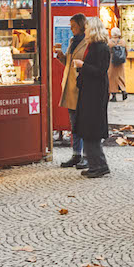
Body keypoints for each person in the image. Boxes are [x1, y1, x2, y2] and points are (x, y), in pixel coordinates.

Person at [73, 16, 112, 178]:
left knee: (91, 129)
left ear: (93, 29)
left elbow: (100, 71)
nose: (86, 30)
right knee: (87, 129)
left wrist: (83, 66)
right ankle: (95, 164)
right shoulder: (94, 46)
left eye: (88, 28)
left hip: (95, 95)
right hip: (89, 93)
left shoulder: (101, 47)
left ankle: (100, 165)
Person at [55, 14, 89, 169]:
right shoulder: (72, 41)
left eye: (73, 26)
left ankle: (88, 156)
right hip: (69, 87)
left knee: (84, 124)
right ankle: (76, 154)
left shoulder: (88, 42)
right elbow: (69, 63)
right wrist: (61, 56)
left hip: (82, 88)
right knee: (74, 124)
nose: (71, 28)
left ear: (81, 26)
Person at [107, 27, 129, 102]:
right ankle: (124, 90)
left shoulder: (109, 42)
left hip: (112, 62)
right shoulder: (122, 42)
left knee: (112, 78)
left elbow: (107, 53)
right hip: (120, 62)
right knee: (120, 77)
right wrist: (124, 57)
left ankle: (114, 96)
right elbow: (126, 51)